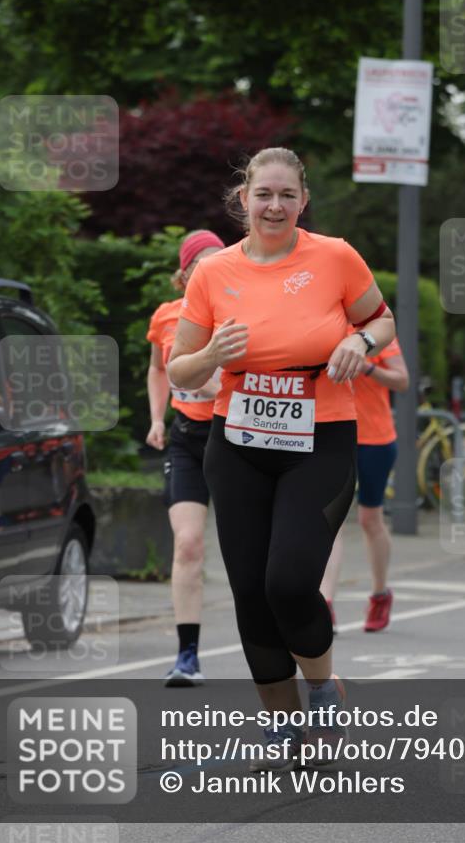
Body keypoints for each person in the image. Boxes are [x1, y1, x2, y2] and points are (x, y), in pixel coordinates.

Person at [168, 146, 396, 765]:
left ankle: (321, 683)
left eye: (286, 195)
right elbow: (178, 368)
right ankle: (281, 720)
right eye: (262, 194)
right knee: (249, 591)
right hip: (237, 443)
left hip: (320, 439)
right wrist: (213, 354)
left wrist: (358, 340)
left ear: (303, 201)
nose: (274, 205)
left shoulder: (335, 257)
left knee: (289, 581)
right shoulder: (214, 274)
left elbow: (382, 321)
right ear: (243, 200)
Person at [146, 229, 225, 686]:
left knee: (248, 552)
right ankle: (187, 655)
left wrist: (215, 387)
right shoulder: (166, 317)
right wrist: (157, 419)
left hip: (233, 438)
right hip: (186, 438)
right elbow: (159, 369)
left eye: (219, 260)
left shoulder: (238, 313)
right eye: (202, 261)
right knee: (189, 543)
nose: (211, 268)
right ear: (186, 270)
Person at [320, 335, 409, 633]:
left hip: (375, 439)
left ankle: (380, 593)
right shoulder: (324, 326)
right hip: (333, 436)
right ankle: (325, 603)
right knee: (332, 519)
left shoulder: (377, 333)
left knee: (370, 518)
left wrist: (367, 368)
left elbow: (401, 381)